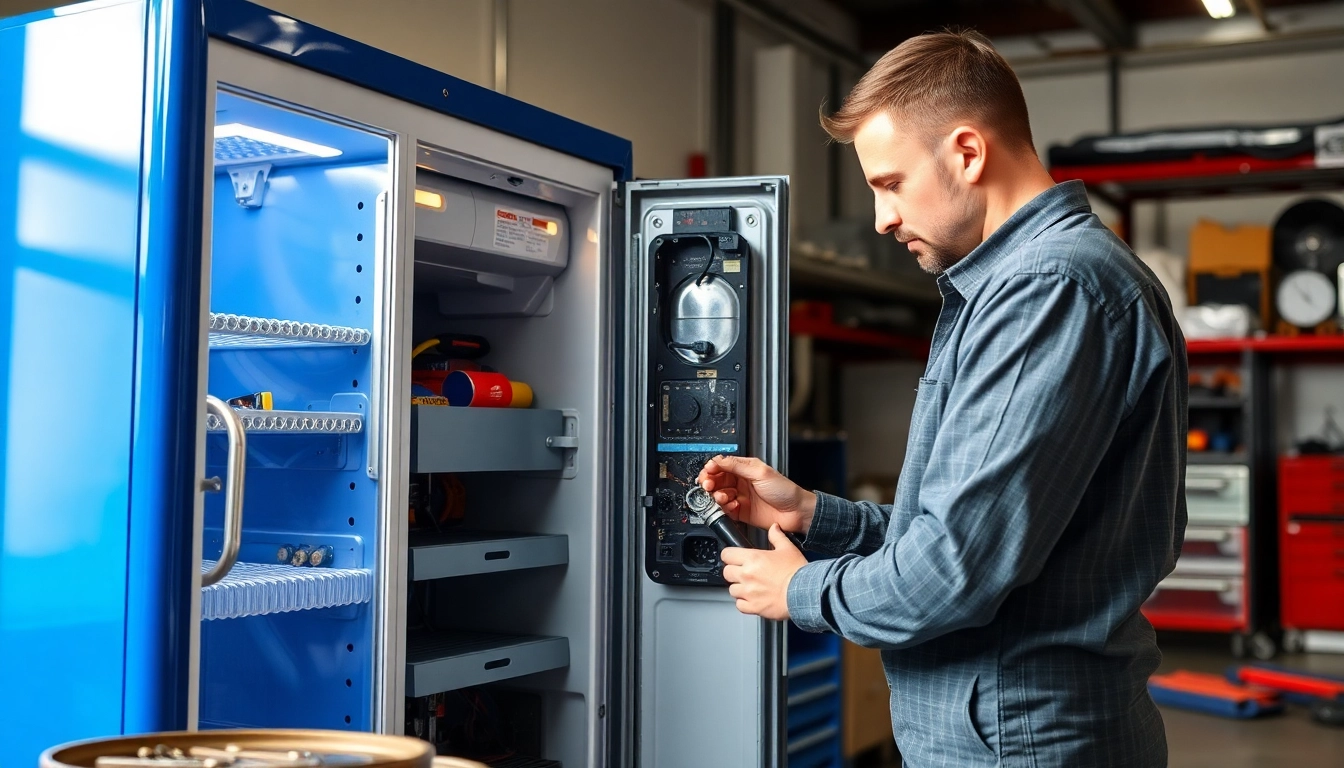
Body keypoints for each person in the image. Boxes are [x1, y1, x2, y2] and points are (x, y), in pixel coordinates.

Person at [698, 29, 1187, 768]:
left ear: (967, 151)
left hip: (1016, 739)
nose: (881, 219)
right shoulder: (1021, 286)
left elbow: (953, 570)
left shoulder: (1047, 290)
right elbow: (975, 531)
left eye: (889, 183)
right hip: (1012, 726)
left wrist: (799, 590)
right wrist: (811, 513)